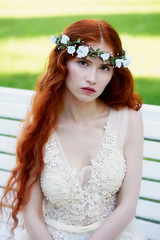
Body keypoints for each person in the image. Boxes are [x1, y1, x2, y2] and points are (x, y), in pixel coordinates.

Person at [0, 19, 146, 240]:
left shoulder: (128, 122)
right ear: (63, 62)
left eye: (104, 68)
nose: (92, 79)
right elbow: (32, 216)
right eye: (83, 63)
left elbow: (127, 207)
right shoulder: (37, 129)